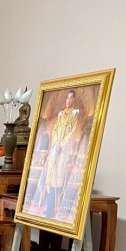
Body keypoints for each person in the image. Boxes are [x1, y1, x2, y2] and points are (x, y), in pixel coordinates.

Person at [43, 90, 80, 219]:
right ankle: (48, 207)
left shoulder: (74, 115)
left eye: (71, 98)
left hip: (63, 151)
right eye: (67, 98)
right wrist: (56, 142)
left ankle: (53, 209)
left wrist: (62, 144)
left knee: (57, 179)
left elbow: (71, 133)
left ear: (74, 100)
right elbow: (55, 129)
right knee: (50, 176)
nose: (68, 100)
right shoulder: (61, 114)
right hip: (56, 148)